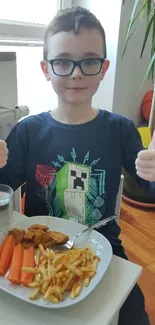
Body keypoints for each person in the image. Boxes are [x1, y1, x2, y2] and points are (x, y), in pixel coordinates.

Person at [0, 6, 154, 324]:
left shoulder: (121, 130)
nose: (76, 72)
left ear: (103, 68)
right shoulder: (28, 131)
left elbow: (148, 186)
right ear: (46, 68)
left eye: (89, 61)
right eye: (63, 61)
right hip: (37, 252)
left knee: (133, 315)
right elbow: (3, 191)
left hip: (103, 247)